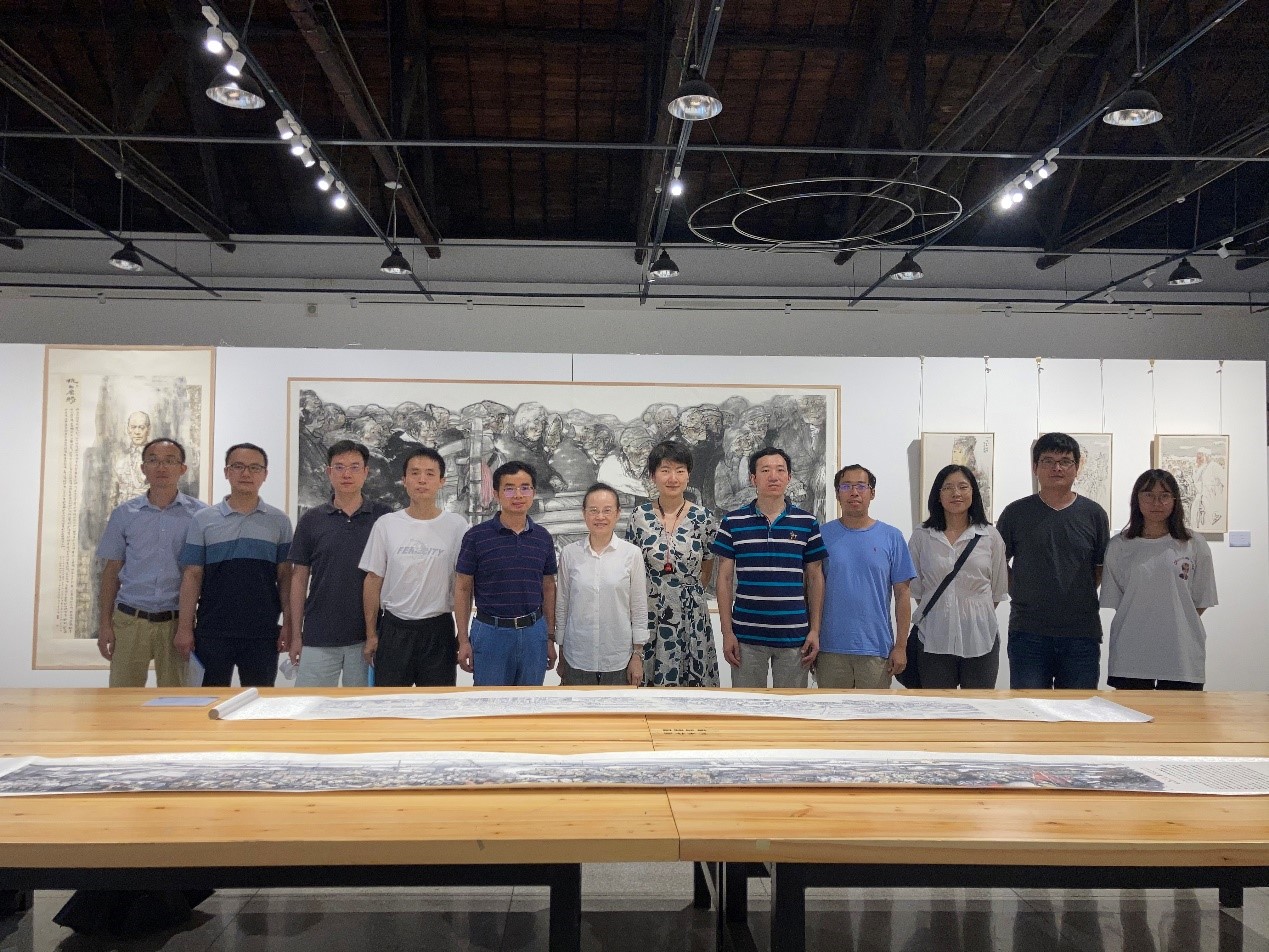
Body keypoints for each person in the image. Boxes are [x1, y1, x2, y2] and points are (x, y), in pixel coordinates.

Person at [997, 432, 1110, 689]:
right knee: (1028, 708)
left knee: (1078, 710)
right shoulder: (1016, 513)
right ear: (1035, 467)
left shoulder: (1094, 514)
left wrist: (1073, 594)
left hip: (1081, 633)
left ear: (1077, 468)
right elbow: (999, 562)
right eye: (1048, 461)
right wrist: (1021, 590)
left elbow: (1099, 568)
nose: (1057, 468)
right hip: (1028, 632)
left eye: (1065, 461)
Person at [176, 443, 292, 688]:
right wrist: (184, 628)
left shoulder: (279, 521)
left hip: (262, 631)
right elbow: (192, 575)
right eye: (238, 466)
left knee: (260, 700)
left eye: (254, 468)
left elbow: (285, 577)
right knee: (209, 700)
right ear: (226, 472)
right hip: (212, 629)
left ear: (265, 474)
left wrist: (289, 624)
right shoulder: (203, 520)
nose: (246, 473)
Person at [96, 438, 207, 687]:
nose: (161, 467)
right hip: (130, 620)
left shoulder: (200, 515)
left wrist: (188, 627)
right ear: (143, 468)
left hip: (177, 622)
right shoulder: (124, 514)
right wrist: (104, 625)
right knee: (123, 699)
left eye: (170, 461)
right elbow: (111, 572)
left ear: (183, 469)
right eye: (153, 460)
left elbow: (199, 574)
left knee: (177, 700)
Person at [713, 447, 825, 688]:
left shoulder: (807, 523)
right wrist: (727, 632)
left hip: (794, 635)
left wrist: (815, 630)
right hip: (746, 636)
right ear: (753, 478)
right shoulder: (732, 522)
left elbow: (815, 578)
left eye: (780, 470)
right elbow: (724, 579)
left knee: (791, 708)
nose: (773, 476)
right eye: (765, 470)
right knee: (747, 707)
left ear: (789, 477)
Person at [359, 447, 468, 687]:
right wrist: (371, 634)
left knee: (438, 704)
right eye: (415, 473)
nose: (422, 480)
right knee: (391, 703)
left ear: (441, 481)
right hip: (394, 629)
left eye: (430, 474)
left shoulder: (457, 526)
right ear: (404, 480)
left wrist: (463, 636)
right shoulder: (387, 524)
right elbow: (373, 581)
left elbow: (463, 585)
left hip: (438, 629)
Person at [286, 440, 392, 687]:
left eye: (355, 467)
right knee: (310, 705)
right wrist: (296, 635)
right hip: (319, 634)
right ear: (328, 472)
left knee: (362, 707)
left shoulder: (384, 517)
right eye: (339, 467)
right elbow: (299, 579)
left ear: (366, 472)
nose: (347, 474)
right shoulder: (311, 520)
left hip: (368, 637)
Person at [1101, 469, 1218, 690]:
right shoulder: (1120, 545)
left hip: (1181, 652)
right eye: (1149, 495)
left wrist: (1175, 619)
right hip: (1131, 653)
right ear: (1137, 499)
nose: (1157, 503)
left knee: (1180, 713)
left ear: (1175, 500)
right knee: (1131, 712)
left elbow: (1200, 600)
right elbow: (1118, 602)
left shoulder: (1193, 544)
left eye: (1164, 496)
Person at [454, 461, 558, 686]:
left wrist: (550, 637)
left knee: (530, 702)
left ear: (533, 492)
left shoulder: (543, 538)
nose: (518, 495)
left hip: (534, 633)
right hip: (491, 633)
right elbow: (462, 588)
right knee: (489, 703)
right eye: (509, 488)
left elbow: (549, 587)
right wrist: (463, 640)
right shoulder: (476, 537)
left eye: (525, 488)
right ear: (496, 494)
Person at [625, 441, 719, 686]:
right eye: (665, 470)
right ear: (653, 475)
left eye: (680, 470)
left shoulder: (704, 518)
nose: (673, 478)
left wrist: (683, 594)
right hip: (651, 613)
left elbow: (707, 568)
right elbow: (631, 569)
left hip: (691, 615)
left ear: (688, 475)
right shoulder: (639, 517)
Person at [907, 465, 1008, 689]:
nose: (956, 493)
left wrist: (971, 609)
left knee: (980, 705)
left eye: (963, 487)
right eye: (948, 488)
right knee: (937, 706)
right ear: (938, 495)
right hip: (934, 637)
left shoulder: (990, 535)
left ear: (973, 493)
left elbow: (997, 590)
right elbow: (917, 589)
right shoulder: (922, 535)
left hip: (980, 636)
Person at [817, 464, 916, 689]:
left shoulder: (892, 537)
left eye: (861, 486)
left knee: (873, 712)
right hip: (829, 649)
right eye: (846, 486)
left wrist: (901, 646)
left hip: (876, 649)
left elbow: (903, 595)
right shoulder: (822, 535)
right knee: (830, 711)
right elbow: (810, 590)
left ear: (872, 493)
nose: (854, 492)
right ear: (837, 494)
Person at [555, 483, 650, 686]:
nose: (600, 517)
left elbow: (639, 608)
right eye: (593, 510)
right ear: (584, 513)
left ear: (617, 513)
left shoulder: (631, 554)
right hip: (577, 656)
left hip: (619, 657)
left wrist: (637, 655)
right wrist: (561, 651)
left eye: (607, 510)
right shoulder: (569, 554)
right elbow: (562, 606)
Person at [110, 410, 152, 507]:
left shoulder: (158, 459)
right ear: (128, 430)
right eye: (133, 427)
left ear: (148, 430)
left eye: (141, 427)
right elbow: (113, 496)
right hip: (123, 513)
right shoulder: (120, 460)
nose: (137, 432)